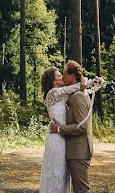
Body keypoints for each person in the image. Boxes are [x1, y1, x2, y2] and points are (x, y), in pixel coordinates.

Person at [38, 65, 85, 193]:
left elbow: (75, 91)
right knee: (56, 171)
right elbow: (75, 87)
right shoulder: (53, 93)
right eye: (59, 75)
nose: (62, 77)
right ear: (54, 81)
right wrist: (88, 81)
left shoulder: (61, 94)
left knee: (64, 172)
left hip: (63, 134)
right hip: (56, 137)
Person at [49, 61, 94, 193]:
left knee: (82, 190)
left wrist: (58, 129)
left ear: (72, 76)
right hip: (73, 151)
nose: (62, 77)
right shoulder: (74, 93)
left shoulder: (78, 96)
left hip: (79, 151)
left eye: (64, 74)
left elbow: (82, 127)